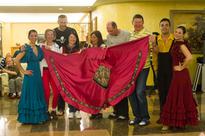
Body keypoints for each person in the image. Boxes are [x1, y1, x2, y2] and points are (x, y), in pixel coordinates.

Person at [161, 26, 198, 130]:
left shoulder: (181, 44)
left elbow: (190, 57)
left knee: (176, 96)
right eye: (176, 32)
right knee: (177, 96)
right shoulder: (176, 43)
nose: (177, 34)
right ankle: (176, 121)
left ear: (183, 34)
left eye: (179, 32)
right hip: (178, 74)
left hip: (180, 75)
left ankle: (171, 123)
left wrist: (182, 67)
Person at [15, 29, 48, 124]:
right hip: (30, 74)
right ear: (28, 37)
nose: (34, 37)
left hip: (38, 74)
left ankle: (38, 117)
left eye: (35, 35)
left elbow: (46, 56)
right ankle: (29, 118)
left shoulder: (39, 48)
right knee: (31, 94)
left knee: (37, 94)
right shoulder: (26, 48)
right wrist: (23, 71)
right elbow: (16, 60)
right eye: (32, 35)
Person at [128, 14, 151, 126]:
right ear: (132, 22)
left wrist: (153, 42)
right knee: (131, 92)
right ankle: (137, 116)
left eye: (139, 22)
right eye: (135, 22)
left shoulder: (148, 35)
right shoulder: (130, 35)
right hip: (132, 68)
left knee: (140, 92)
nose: (137, 24)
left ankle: (145, 117)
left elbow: (153, 50)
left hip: (143, 67)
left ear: (143, 23)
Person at [54, 14, 79, 116]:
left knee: (74, 88)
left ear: (67, 21)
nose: (63, 23)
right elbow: (50, 43)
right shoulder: (54, 31)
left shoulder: (72, 31)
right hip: (59, 64)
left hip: (72, 65)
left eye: (65, 21)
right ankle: (61, 108)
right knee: (61, 87)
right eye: (61, 21)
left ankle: (75, 109)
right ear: (58, 21)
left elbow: (77, 44)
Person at [106, 21, 130, 121]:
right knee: (113, 90)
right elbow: (109, 50)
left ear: (116, 28)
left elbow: (131, 49)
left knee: (122, 89)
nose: (110, 33)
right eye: (108, 31)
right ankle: (116, 111)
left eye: (111, 31)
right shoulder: (108, 37)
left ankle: (123, 114)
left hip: (124, 67)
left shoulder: (127, 34)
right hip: (114, 67)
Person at [152, 18, 174, 124]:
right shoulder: (156, 39)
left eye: (166, 25)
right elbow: (155, 57)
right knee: (162, 94)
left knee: (172, 94)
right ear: (159, 27)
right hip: (160, 70)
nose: (164, 27)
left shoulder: (174, 39)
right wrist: (156, 70)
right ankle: (163, 116)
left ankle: (172, 117)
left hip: (172, 71)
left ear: (169, 26)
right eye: (162, 25)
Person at [40, 29, 62, 120]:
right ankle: (46, 111)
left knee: (56, 92)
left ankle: (53, 110)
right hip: (44, 70)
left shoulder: (58, 47)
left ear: (54, 36)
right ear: (45, 36)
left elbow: (59, 59)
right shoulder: (41, 46)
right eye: (48, 34)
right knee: (46, 92)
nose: (49, 36)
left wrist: (51, 50)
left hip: (53, 71)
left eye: (51, 34)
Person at [64, 31, 81, 119]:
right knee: (70, 91)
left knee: (77, 91)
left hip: (77, 73)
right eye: (71, 37)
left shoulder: (79, 48)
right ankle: (71, 110)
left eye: (74, 37)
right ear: (68, 38)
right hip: (67, 73)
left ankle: (78, 110)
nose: (72, 39)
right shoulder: (64, 48)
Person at [89, 30, 105, 119]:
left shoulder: (103, 46)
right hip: (91, 72)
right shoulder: (89, 46)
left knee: (99, 93)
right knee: (92, 93)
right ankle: (93, 111)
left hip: (101, 71)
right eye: (92, 37)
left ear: (99, 38)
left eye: (94, 37)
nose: (93, 39)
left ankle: (99, 112)